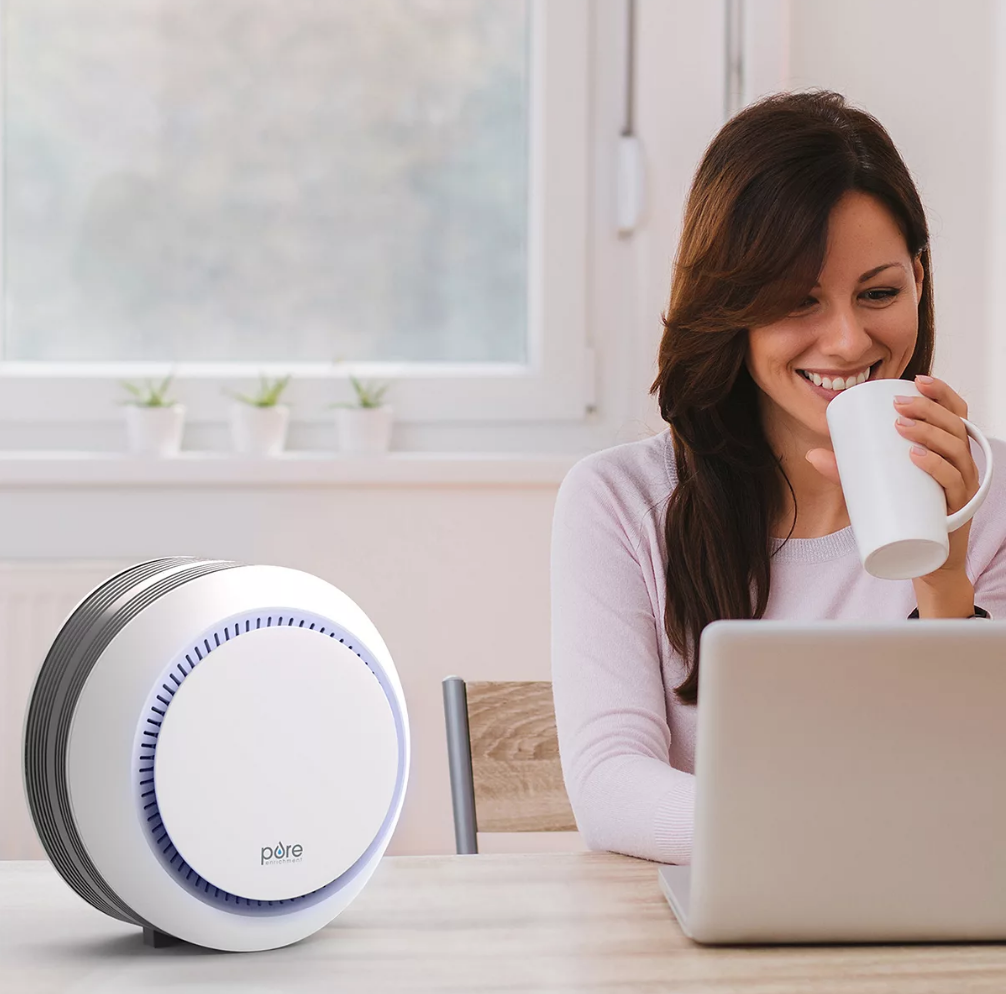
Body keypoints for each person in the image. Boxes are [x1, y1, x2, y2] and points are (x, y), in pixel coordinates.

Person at [549, 89, 1006, 865]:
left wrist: (943, 578)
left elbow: (980, 791)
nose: (847, 338)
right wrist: (832, 838)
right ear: (731, 305)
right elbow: (610, 787)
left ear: (920, 281)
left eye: (880, 293)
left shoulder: (988, 498)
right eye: (797, 300)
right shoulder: (621, 503)